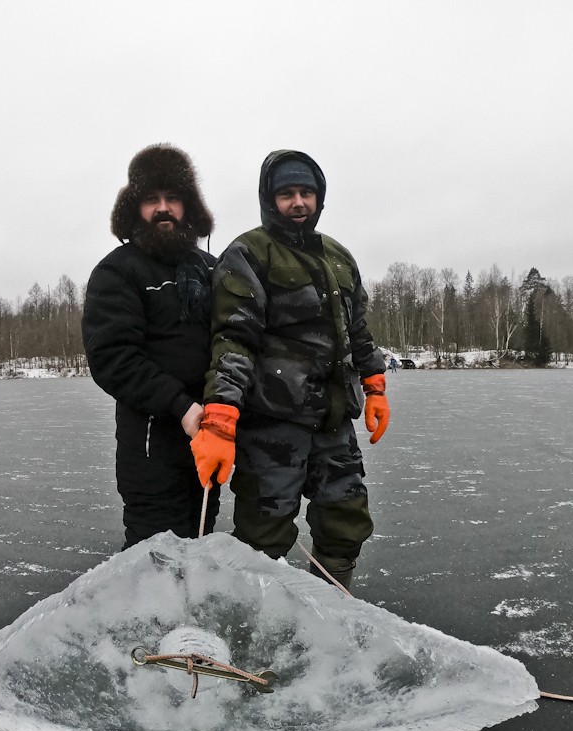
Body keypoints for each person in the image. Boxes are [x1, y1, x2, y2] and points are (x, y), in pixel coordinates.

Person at [190, 149, 390, 590]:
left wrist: (374, 384)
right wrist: (220, 416)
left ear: (319, 198)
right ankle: (261, 620)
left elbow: (358, 330)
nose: (298, 202)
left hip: (334, 421)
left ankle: (333, 610)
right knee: (264, 536)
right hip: (271, 426)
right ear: (269, 199)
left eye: (306, 193)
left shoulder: (339, 256)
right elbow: (233, 338)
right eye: (286, 194)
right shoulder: (248, 252)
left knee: (345, 523)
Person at [82, 144, 220, 550]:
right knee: (153, 562)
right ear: (134, 207)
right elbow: (113, 358)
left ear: (188, 205)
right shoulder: (117, 271)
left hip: (209, 443)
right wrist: (181, 406)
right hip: (151, 453)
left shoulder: (212, 270)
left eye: (173, 198)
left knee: (200, 542)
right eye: (151, 199)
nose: (163, 208)